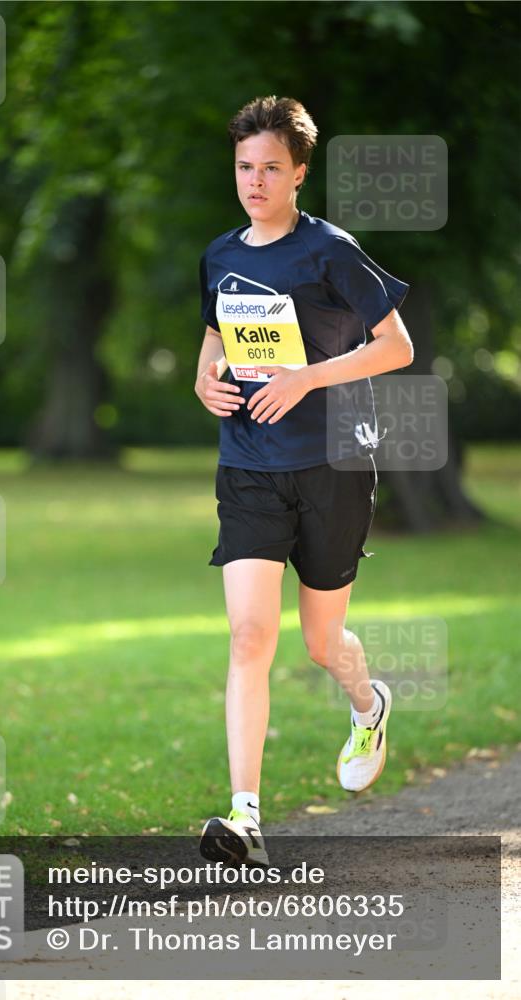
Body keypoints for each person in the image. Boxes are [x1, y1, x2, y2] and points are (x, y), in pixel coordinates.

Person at [195, 96, 413, 868]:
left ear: (299, 174)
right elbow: (213, 340)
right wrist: (206, 383)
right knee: (250, 635)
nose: (254, 183)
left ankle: (367, 702)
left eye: (270, 170)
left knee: (322, 644)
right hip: (248, 467)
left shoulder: (330, 251)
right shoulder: (220, 253)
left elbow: (396, 347)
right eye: (243, 168)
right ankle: (244, 817)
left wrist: (308, 378)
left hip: (331, 466)